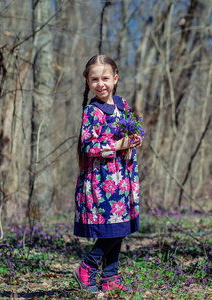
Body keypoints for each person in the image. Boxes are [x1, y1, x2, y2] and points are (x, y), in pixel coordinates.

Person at [73, 54, 143, 293]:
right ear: (88, 83)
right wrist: (116, 146)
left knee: (120, 226)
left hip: (123, 177)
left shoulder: (123, 106)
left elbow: (132, 131)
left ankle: (110, 277)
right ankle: (88, 266)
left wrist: (134, 139)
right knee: (113, 228)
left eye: (105, 78)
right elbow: (88, 146)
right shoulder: (92, 111)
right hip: (102, 180)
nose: (100, 84)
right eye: (94, 79)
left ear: (115, 79)